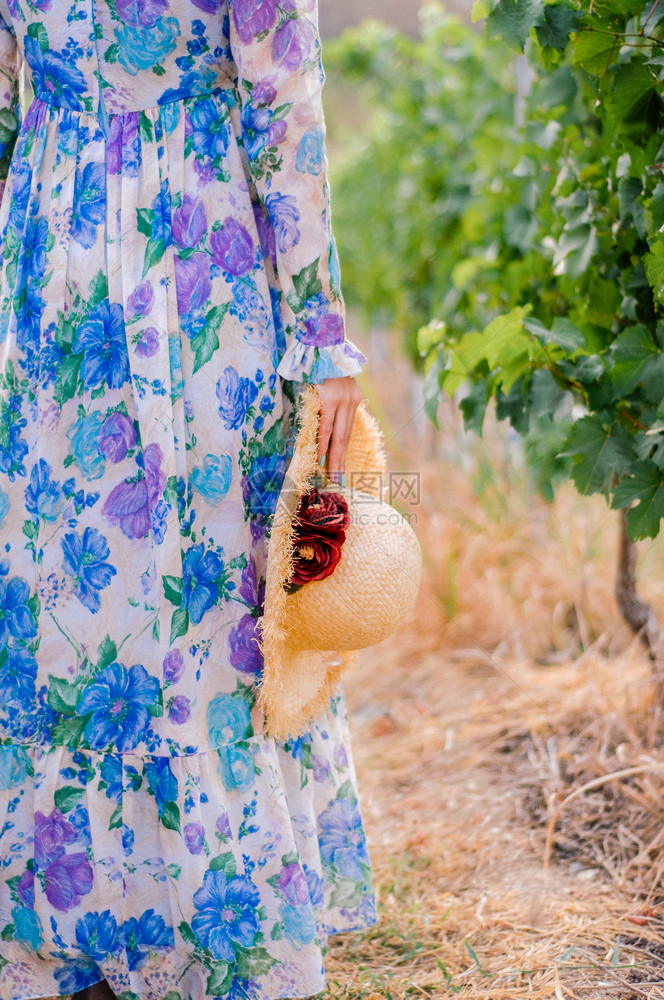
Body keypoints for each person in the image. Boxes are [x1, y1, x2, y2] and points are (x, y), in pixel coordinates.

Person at [0, 2, 376, 998]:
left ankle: (68, 926)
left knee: (98, 585)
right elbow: (282, 104)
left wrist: (323, 338)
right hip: (174, 269)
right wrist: (321, 334)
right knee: (154, 592)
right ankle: (177, 914)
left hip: (74, 260)